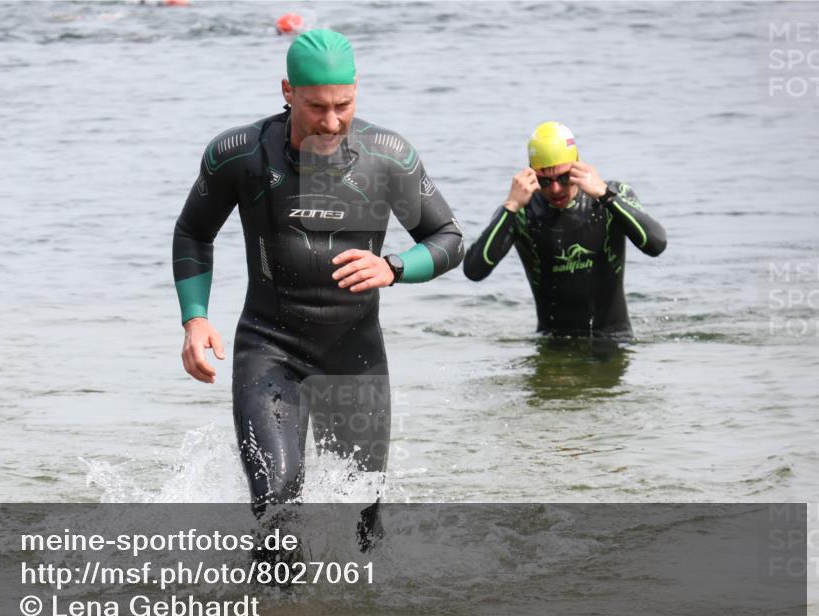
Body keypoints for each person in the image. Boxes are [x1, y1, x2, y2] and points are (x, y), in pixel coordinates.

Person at [172, 30, 463, 534]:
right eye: (316, 107)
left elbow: (448, 239)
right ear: (287, 91)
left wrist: (394, 268)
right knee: (275, 504)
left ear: (356, 90)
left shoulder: (387, 157)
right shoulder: (239, 154)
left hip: (355, 355)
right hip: (270, 348)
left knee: (363, 521)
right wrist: (194, 319)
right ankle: (271, 612)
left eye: (343, 105)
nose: (331, 121)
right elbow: (193, 233)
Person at [463, 122, 667, 337]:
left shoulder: (611, 196)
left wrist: (606, 195)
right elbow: (474, 270)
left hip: (613, 341)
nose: (555, 189)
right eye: (544, 181)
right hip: (552, 346)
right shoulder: (521, 212)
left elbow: (656, 244)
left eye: (563, 177)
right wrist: (510, 207)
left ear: (578, 166)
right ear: (531, 174)